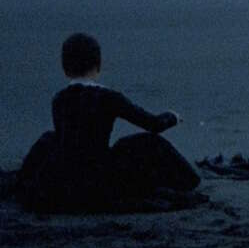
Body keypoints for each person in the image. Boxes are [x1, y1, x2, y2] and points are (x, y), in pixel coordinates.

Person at [15, 33, 201, 213]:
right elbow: (153, 124)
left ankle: (21, 182)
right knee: (147, 142)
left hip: (66, 176)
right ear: (98, 65)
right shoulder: (108, 97)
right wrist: (172, 117)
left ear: (65, 68)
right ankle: (189, 181)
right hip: (99, 177)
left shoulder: (59, 99)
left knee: (50, 138)